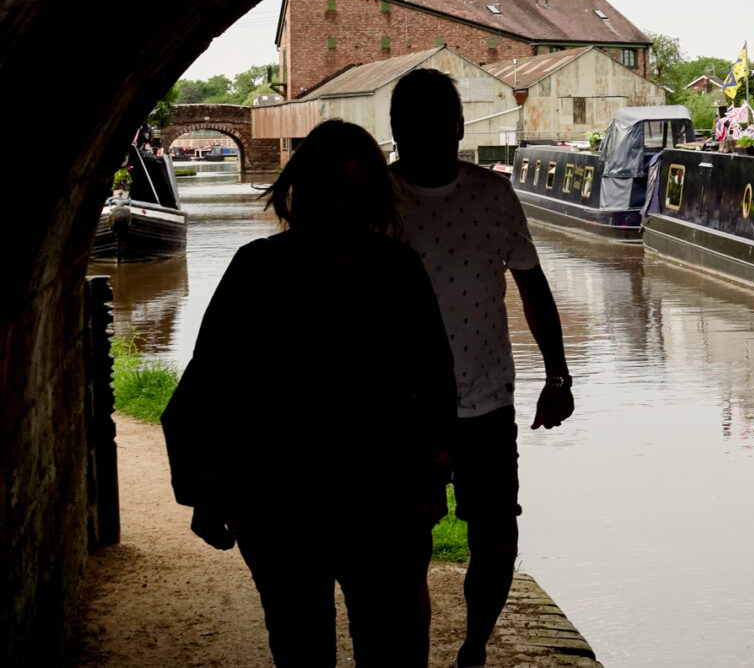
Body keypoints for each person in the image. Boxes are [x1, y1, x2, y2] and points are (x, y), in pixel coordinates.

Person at [162, 119, 456, 667]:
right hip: (334, 499)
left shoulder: (262, 268)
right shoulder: (393, 270)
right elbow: (437, 384)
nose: (338, 205)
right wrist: (434, 475)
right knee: (356, 644)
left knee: (316, 645)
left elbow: (204, 388)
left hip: (318, 500)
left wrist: (204, 491)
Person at [388, 69, 573, 668]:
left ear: (459, 127)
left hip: (487, 404)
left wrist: (559, 376)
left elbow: (533, 288)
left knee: (497, 544)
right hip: (403, 410)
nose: (425, 136)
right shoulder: (379, 204)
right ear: (395, 130)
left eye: (436, 124)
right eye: (411, 125)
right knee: (406, 547)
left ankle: (473, 649)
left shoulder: (494, 197)